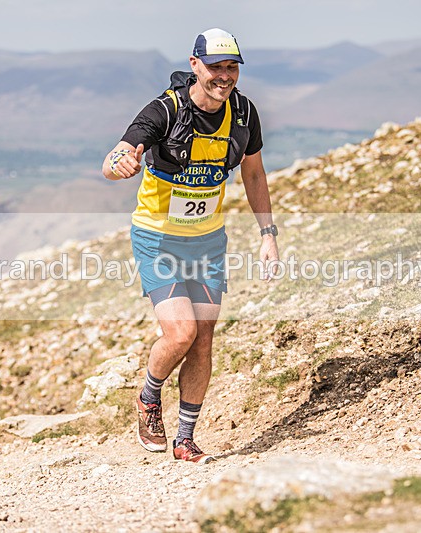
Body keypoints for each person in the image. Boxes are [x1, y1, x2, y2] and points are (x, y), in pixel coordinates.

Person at [101, 28, 279, 463]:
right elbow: (117, 155)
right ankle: (147, 398)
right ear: (195, 64)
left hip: (207, 243)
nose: (224, 76)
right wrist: (118, 164)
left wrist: (268, 235)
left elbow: (253, 175)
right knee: (181, 332)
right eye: (215, 67)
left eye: (231, 67)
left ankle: (184, 438)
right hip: (157, 239)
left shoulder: (243, 113)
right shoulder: (166, 109)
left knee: (204, 339)